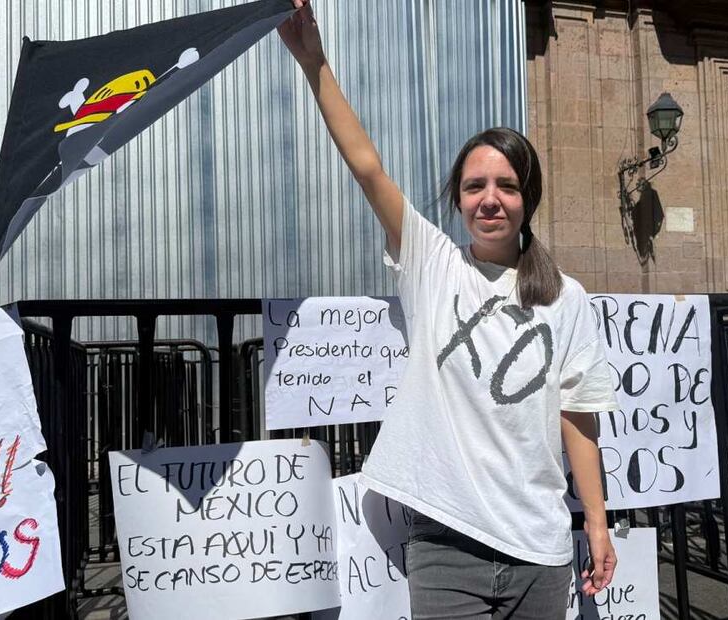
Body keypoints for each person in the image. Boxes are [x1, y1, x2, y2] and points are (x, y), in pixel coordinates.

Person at [279, 2, 620, 617]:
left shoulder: (567, 298)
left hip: (540, 549)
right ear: (458, 201)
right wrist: (314, 62)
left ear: (527, 198)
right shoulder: (432, 264)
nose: (490, 200)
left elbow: (579, 421)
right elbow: (366, 167)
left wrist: (595, 523)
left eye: (507, 186)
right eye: (474, 187)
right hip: (443, 546)